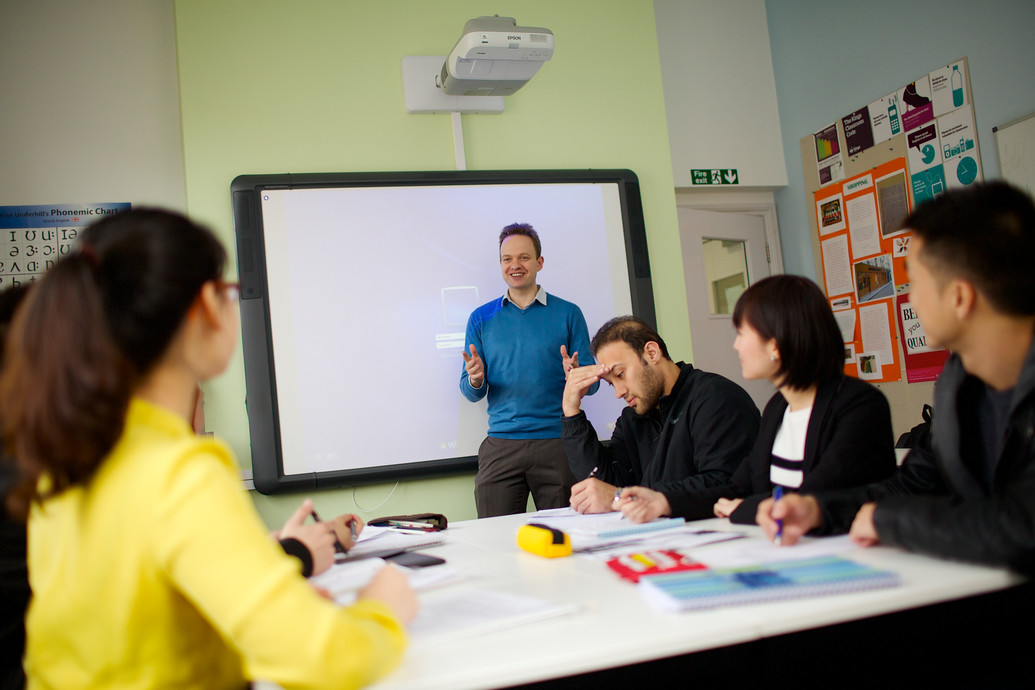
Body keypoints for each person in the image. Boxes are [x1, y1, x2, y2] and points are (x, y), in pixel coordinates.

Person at [0, 209, 416, 688]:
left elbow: (134, 619)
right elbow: (325, 660)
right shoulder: (180, 471)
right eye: (229, 292)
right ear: (204, 306)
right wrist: (381, 611)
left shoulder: (65, 455)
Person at [756, 182, 1035, 575]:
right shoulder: (959, 380)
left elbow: (1022, 529)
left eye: (914, 282)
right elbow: (912, 484)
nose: (909, 298)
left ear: (959, 297)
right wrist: (819, 508)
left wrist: (889, 521)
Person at [618, 276, 897, 523]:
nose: (736, 345)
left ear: (775, 342)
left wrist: (744, 509)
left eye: (742, 334)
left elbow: (810, 500)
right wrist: (665, 501)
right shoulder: (779, 407)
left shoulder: (858, 404)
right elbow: (737, 486)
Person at [460, 223, 598, 517]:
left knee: (566, 537)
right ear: (500, 264)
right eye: (507, 259)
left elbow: (594, 383)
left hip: (557, 444)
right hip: (501, 446)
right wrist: (475, 379)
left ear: (539, 262)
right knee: (495, 538)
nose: (515, 265)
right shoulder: (481, 318)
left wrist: (575, 376)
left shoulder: (568, 313)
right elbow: (471, 393)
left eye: (523, 257)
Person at [562, 316, 760, 514]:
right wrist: (572, 413)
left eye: (620, 374)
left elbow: (725, 484)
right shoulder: (632, 419)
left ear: (651, 352)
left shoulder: (716, 398)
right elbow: (605, 486)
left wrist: (620, 496)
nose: (618, 392)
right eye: (611, 383)